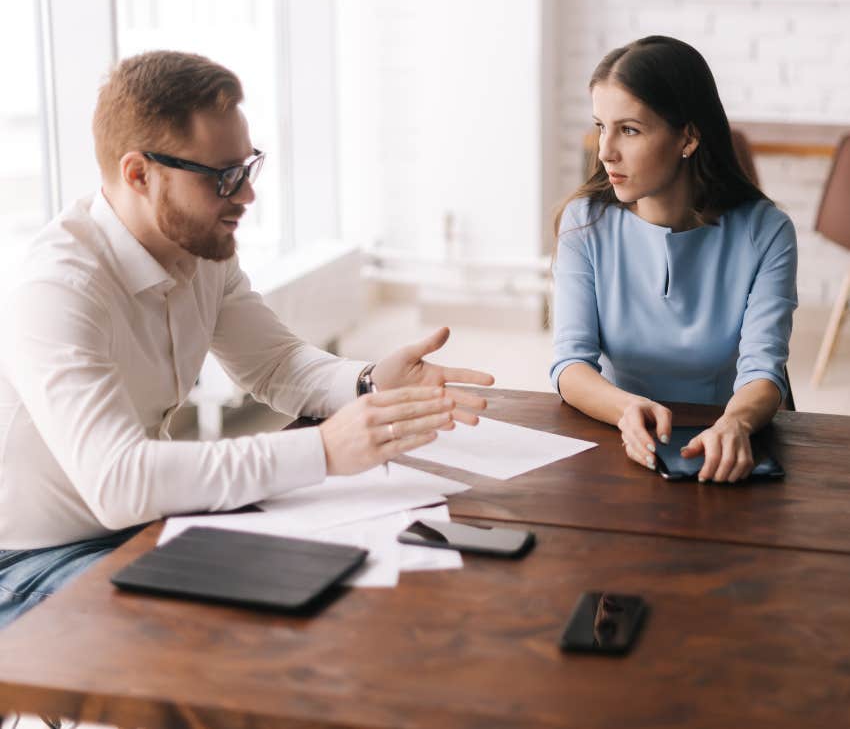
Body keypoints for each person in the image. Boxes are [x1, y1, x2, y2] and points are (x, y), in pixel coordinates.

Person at [0, 50, 494, 628]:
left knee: (342, 592)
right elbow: (119, 481)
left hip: (142, 522)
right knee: (224, 638)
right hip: (33, 556)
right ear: (139, 173)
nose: (246, 197)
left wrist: (367, 383)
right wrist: (325, 451)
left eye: (247, 167)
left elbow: (276, 364)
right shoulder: (60, 289)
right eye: (223, 177)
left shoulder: (200, 248)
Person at [550, 35, 797, 484]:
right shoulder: (584, 222)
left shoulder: (767, 232)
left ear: (688, 136)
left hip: (719, 450)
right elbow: (570, 365)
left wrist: (735, 423)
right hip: (614, 438)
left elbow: (764, 370)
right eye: (600, 126)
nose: (605, 151)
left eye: (629, 129)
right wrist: (626, 409)